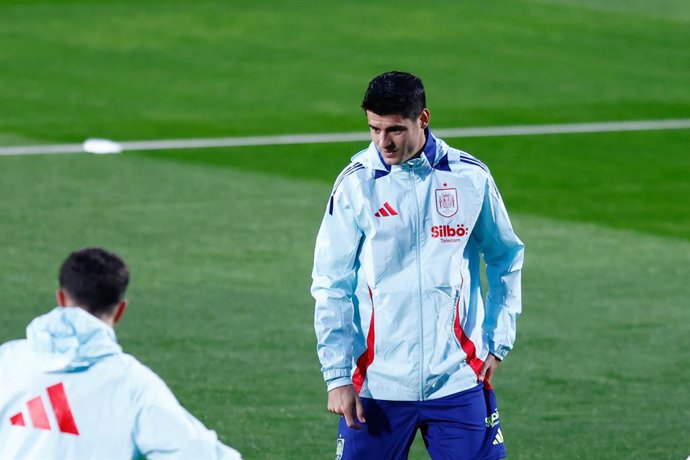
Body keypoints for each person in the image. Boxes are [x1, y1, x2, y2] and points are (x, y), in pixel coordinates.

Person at [312, 71, 524, 459]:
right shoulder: (356, 185)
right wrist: (337, 375)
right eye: (374, 129)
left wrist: (497, 340)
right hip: (378, 386)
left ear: (422, 119)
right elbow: (331, 284)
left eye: (394, 129)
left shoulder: (469, 178)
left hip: (458, 379)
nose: (382, 142)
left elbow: (505, 255)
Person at [0, 247, 242, 460]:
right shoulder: (134, 385)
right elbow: (198, 453)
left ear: (61, 298)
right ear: (120, 310)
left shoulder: (8, 360)